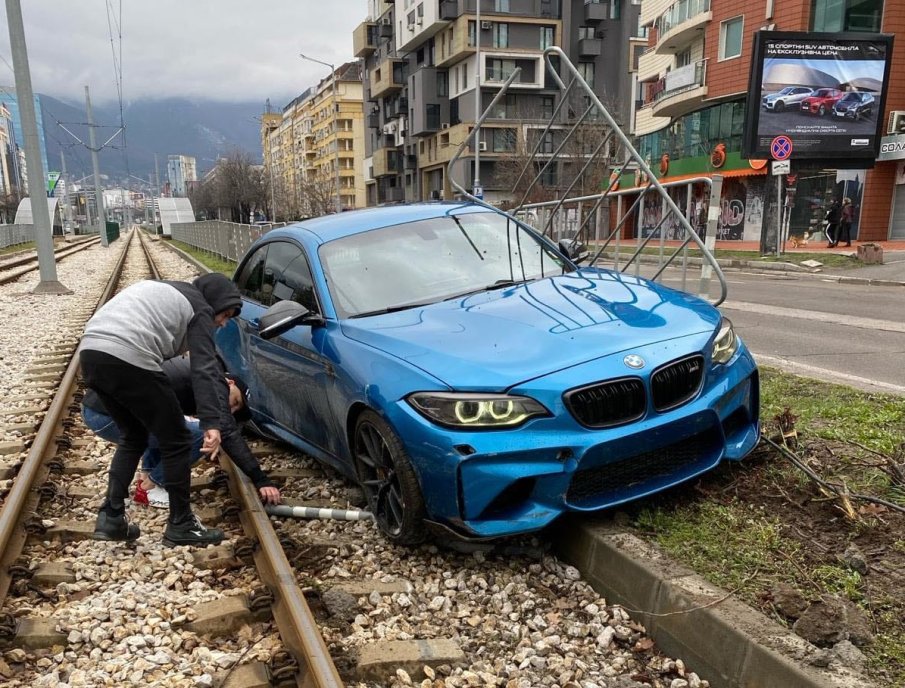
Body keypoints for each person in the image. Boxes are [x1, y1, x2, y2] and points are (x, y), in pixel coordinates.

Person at [79, 273, 243, 547]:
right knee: (177, 440)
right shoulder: (200, 308)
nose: (223, 322)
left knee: (134, 436)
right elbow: (202, 368)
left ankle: (111, 517)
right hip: (129, 354)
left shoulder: (168, 290)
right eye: (225, 314)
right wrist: (210, 423)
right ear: (214, 303)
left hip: (92, 351)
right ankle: (181, 524)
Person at [81, 356, 281, 509]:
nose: (231, 409)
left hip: (97, 410)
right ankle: (152, 487)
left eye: (235, 411)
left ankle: (148, 479)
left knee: (172, 424)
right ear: (230, 384)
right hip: (107, 417)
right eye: (236, 402)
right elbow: (226, 431)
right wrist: (261, 479)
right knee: (198, 435)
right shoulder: (215, 382)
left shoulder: (199, 373)